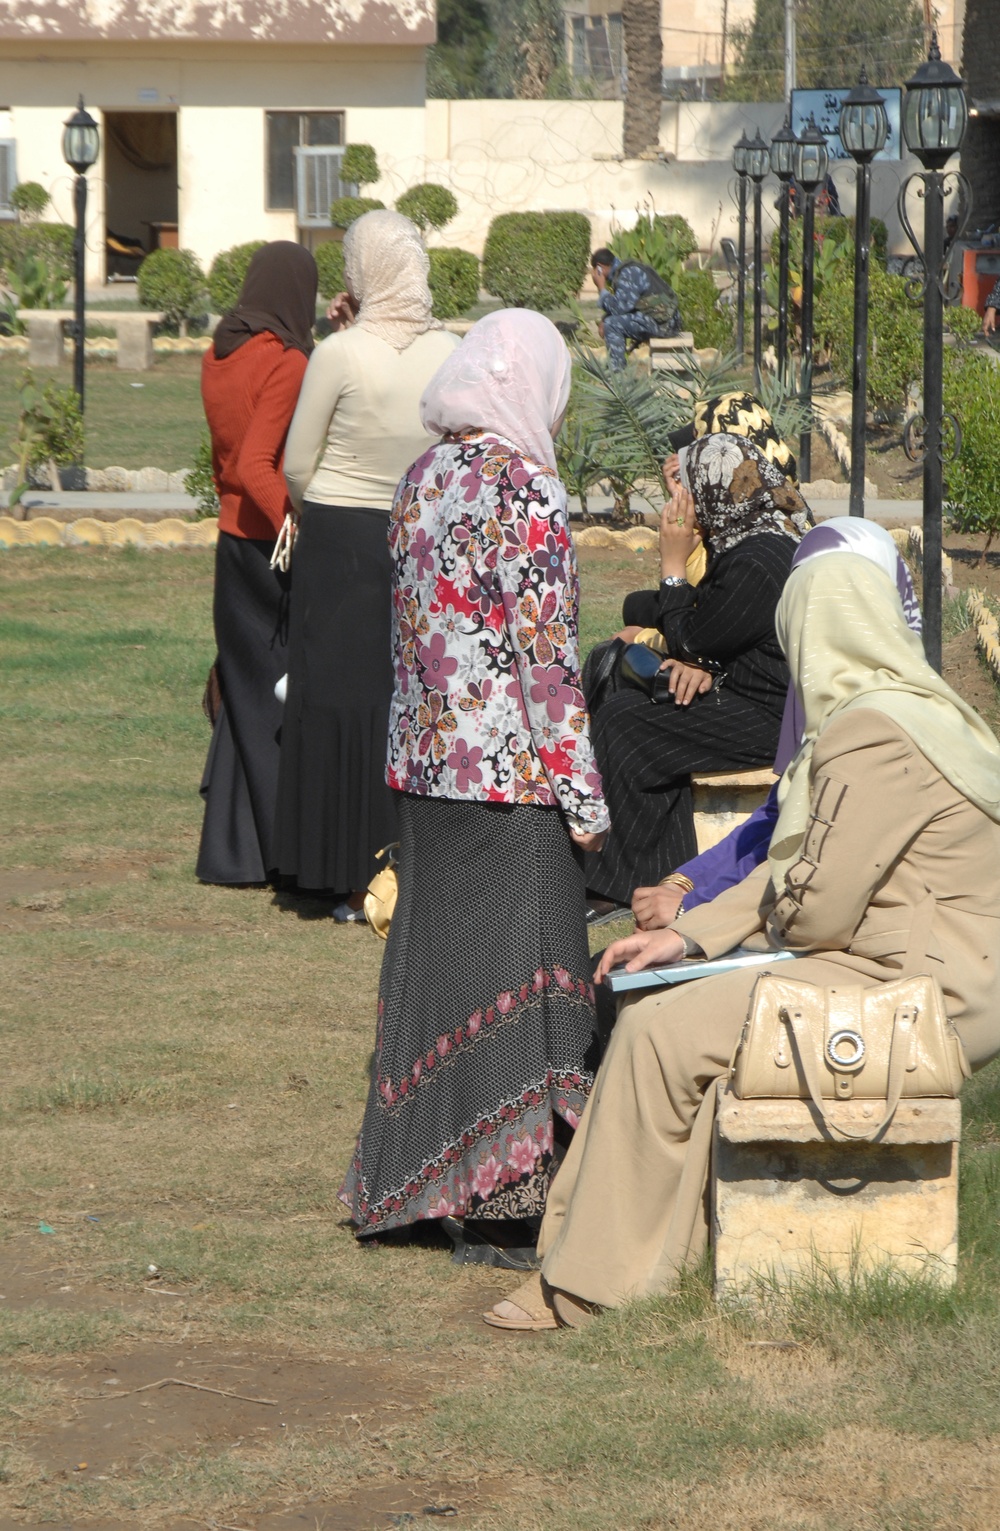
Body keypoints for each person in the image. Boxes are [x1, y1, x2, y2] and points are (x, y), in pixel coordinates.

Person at [486, 542, 1000, 1329]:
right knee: (661, 1009)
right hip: (920, 971)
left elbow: (814, 909)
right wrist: (690, 939)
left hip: (919, 996)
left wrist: (740, 940)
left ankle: (588, 1284)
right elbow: (806, 871)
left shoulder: (874, 734)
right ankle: (604, 1252)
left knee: (660, 1032)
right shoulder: (921, 712)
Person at [339, 309, 609, 1262]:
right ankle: (504, 1212)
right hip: (509, 783)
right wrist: (585, 801)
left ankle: (411, 1191)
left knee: (437, 988)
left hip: (425, 769)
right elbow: (548, 663)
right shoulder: (526, 490)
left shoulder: (421, 478)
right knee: (517, 987)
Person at [272, 210, 458, 915]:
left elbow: (297, 462)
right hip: (423, 532)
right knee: (411, 696)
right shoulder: (451, 349)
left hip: (342, 537)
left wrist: (314, 508)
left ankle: (339, 869)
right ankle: (414, 864)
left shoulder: (340, 353)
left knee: (336, 698)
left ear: (360, 270)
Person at [632, 517, 922, 931]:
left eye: (810, 604)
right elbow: (779, 814)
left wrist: (691, 906)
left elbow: (816, 872)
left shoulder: (882, 730)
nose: (794, 623)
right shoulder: (831, 698)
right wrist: (684, 881)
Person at [584, 432, 810, 922]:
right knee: (630, 697)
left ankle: (618, 886)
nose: (683, 503)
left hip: (772, 719)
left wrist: (671, 564)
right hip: (753, 697)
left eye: (690, 490)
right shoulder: (757, 540)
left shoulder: (757, 559)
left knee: (625, 720)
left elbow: (690, 636)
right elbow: (708, 624)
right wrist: (701, 660)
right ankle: (645, 873)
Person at [196, 241, 318, 886]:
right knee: (280, 703)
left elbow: (231, 458)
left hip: (230, 544)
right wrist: (297, 528)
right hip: (271, 546)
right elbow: (256, 465)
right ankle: (283, 853)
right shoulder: (288, 362)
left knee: (245, 695)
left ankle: (231, 854)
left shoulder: (219, 352)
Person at [590, 246, 682, 371]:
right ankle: (617, 368)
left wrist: (601, 288)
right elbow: (629, 306)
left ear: (600, 267)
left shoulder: (627, 274)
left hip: (663, 325)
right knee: (609, 321)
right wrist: (604, 317)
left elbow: (619, 309)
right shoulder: (628, 270)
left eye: (595, 270)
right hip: (665, 321)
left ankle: (617, 373)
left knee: (611, 325)